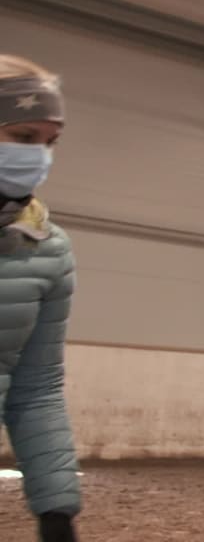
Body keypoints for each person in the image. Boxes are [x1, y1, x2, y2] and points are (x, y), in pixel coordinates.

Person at [0, 55, 81, 542]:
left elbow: (36, 391)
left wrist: (56, 510)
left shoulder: (48, 251)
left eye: (50, 143)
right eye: (25, 138)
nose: (40, 157)